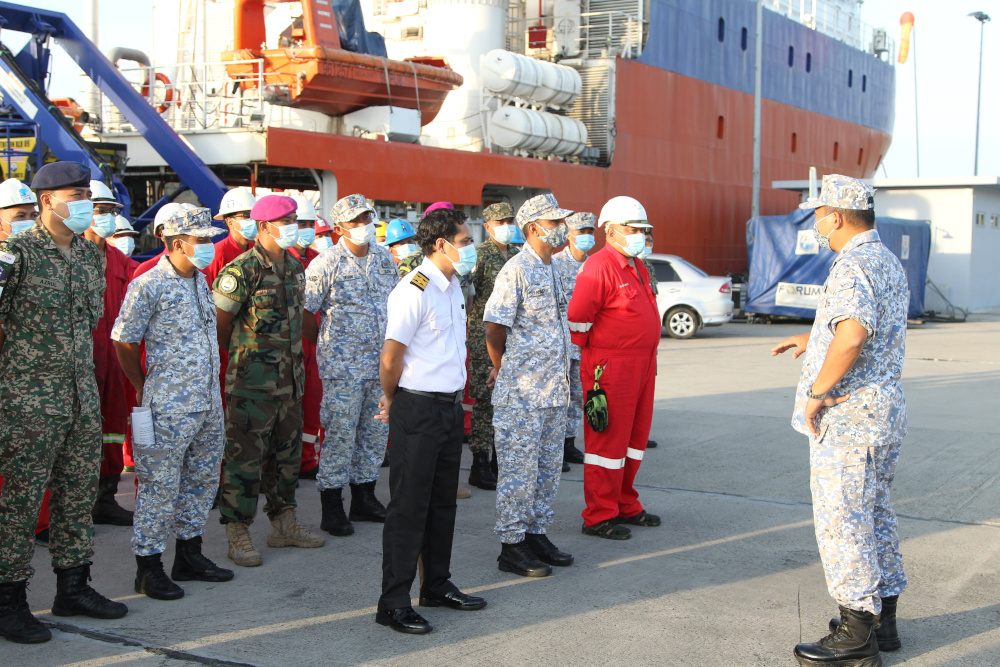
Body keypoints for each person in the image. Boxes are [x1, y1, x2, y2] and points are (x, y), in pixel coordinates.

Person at [772, 175, 908, 667]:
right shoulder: (884, 259)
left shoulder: (853, 266)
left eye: (818, 213)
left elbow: (852, 336)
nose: (815, 223)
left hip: (848, 415)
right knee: (874, 515)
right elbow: (871, 328)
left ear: (837, 215)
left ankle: (854, 635)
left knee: (843, 520)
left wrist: (816, 391)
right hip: (881, 411)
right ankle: (882, 619)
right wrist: (811, 343)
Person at [0, 161, 129, 645]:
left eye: (86, 195)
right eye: (74, 195)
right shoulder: (17, 253)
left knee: (76, 497)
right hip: (28, 402)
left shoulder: (86, 256)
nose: (83, 205)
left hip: (80, 399)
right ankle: (9, 600)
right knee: (20, 503)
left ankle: (74, 587)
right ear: (47, 200)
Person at [112, 207, 234, 601]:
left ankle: (190, 555)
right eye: (202, 240)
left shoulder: (200, 280)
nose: (209, 247)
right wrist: (142, 385)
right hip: (166, 406)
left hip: (206, 404)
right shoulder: (148, 284)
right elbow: (124, 340)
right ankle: (148, 568)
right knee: (158, 488)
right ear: (178, 243)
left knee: (201, 482)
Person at [375, 207, 486, 634]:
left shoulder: (454, 285)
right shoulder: (414, 289)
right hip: (417, 407)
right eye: (463, 241)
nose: (469, 248)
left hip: (448, 406)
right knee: (408, 507)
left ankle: (436, 584)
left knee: (442, 503)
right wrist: (391, 399)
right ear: (439, 244)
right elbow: (390, 358)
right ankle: (393, 601)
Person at [213, 194, 325, 568]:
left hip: (290, 383)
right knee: (244, 461)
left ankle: (283, 524)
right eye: (288, 219)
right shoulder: (240, 270)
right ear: (264, 227)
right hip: (252, 386)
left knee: (287, 458)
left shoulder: (294, 267)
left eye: (296, 218)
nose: (296, 225)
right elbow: (220, 326)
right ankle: (237, 530)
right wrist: (248, 362)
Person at [484, 193, 575, 578]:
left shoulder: (552, 267)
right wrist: (505, 369)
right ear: (534, 227)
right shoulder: (515, 269)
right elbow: (494, 327)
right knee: (519, 472)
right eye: (555, 223)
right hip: (522, 394)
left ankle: (536, 533)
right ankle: (511, 544)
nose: (562, 228)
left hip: (554, 391)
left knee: (547, 470)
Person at [567, 196, 661, 541]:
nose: (640, 235)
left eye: (643, 229)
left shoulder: (636, 264)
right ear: (611, 231)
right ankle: (598, 514)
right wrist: (601, 353)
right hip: (610, 367)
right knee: (607, 441)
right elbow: (578, 318)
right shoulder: (599, 266)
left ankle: (625, 503)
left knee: (634, 440)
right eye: (632, 228)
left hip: (642, 365)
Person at [303, 194, 397, 536]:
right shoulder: (326, 263)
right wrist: (329, 345)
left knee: (374, 434)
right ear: (340, 228)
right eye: (355, 222)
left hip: (381, 365)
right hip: (342, 367)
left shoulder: (386, 258)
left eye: (366, 219)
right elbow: (305, 310)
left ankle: (364, 497)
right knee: (341, 435)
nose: (363, 226)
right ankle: (332, 505)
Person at [84, 180, 136, 527]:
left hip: (114, 363)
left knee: (113, 429)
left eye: (110, 212)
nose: (105, 217)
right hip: (81, 362)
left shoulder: (121, 263)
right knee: (79, 434)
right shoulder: (69, 257)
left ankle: (105, 497)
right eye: (99, 211)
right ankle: (73, 505)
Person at [466, 203, 520, 490]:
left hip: (511, 336)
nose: (506, 225)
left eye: (510, 220)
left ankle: (502, 459)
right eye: (500, 221)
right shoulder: (479, 254)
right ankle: (480, 462)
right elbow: (467, 293)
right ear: (487, 226)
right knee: (486, 400)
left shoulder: (516, 254)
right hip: (483, 337)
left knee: (509, 400)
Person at [552, 211, 596, 470]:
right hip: (560, 346)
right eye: (581, 232)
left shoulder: (595, 265)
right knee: (558, 398)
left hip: (585, 345)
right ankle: (555, 447)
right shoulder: (555, 263)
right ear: (569, 234)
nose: (586, 236)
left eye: (590, 231)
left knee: (578, 397)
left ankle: (569, 443)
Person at [288, 194, 324, 480]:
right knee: (287, 409)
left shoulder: (317, 260)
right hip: (288, 346)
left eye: (310, 222)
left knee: (312, 404)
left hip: (315, 342)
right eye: (300, 223)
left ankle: (306, 460)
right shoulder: (278, 261)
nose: (307, 228)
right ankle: (285, 464)